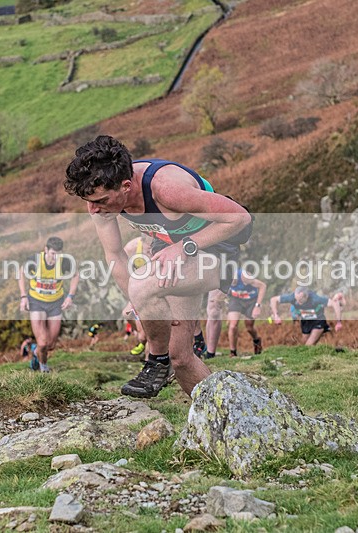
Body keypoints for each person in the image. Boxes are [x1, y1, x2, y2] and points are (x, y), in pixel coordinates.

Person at [65, 135, 251, 398]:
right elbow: (115, 255)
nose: (94, 209)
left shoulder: (166, 189)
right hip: (173, 253)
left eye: (102, 201)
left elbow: (240, 218)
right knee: (181, 357)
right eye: (90, 201)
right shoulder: (99, 200)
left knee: (142, 285)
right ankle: (220, 418)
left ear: (126, 186)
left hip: (216, 246)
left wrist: (185, 246)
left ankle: (155, 361)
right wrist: (142, 303)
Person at [18, 236, 80, 373]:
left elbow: (75, 275)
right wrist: (23, 296)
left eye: (58, 254)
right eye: (53, 254)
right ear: (46, 250)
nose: (55, 257)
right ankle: (44, 368)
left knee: (50, 345)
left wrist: (70, 296)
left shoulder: (64, 262)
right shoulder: (35, 260)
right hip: (36, 302)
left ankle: (35, 352)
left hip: (55, 303)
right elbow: (21, 272)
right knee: (43, 342)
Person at [269, 286, 342, 346]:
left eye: (300, 300)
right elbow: (273, 300)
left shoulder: (315, 299)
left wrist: (339, 322)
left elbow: (334, 303)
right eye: (296, 299)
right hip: (305, 322)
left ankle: (322, 331)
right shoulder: (292, 297)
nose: (297, 302)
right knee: (303, 344)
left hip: (318, 322)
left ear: (306, 297)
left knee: (308, 345)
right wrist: (276, 315)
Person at [226, 268, 267, 357]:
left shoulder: (245, 276)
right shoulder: (222, 279)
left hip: (251, 301)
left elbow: (262, 286)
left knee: (249, 327)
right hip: (236, 299)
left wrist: (257, 306)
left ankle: (257, 341)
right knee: (232, 326)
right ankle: (233, 352)